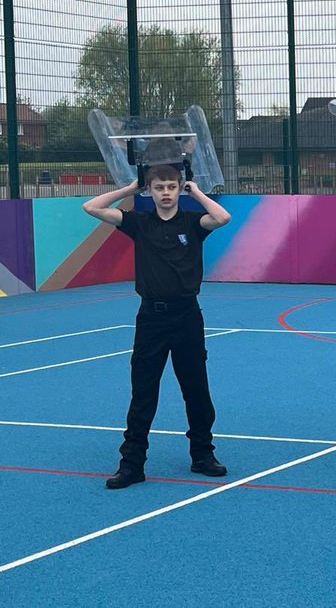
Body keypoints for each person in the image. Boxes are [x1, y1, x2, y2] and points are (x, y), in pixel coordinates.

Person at [81, 160, 233, 489]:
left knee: (196, 389)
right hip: (151, 318)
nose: (166, 193)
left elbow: (222, 217)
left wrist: (197, 190)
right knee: (143, 393)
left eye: (172, 187)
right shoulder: (139, 223)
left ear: (180, 190)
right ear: (150, 192)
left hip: (187, 317)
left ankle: (202, 455)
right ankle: (132, 463)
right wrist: (132, 189)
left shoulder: (194, 223)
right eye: (159, 188)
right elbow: (91, 206)